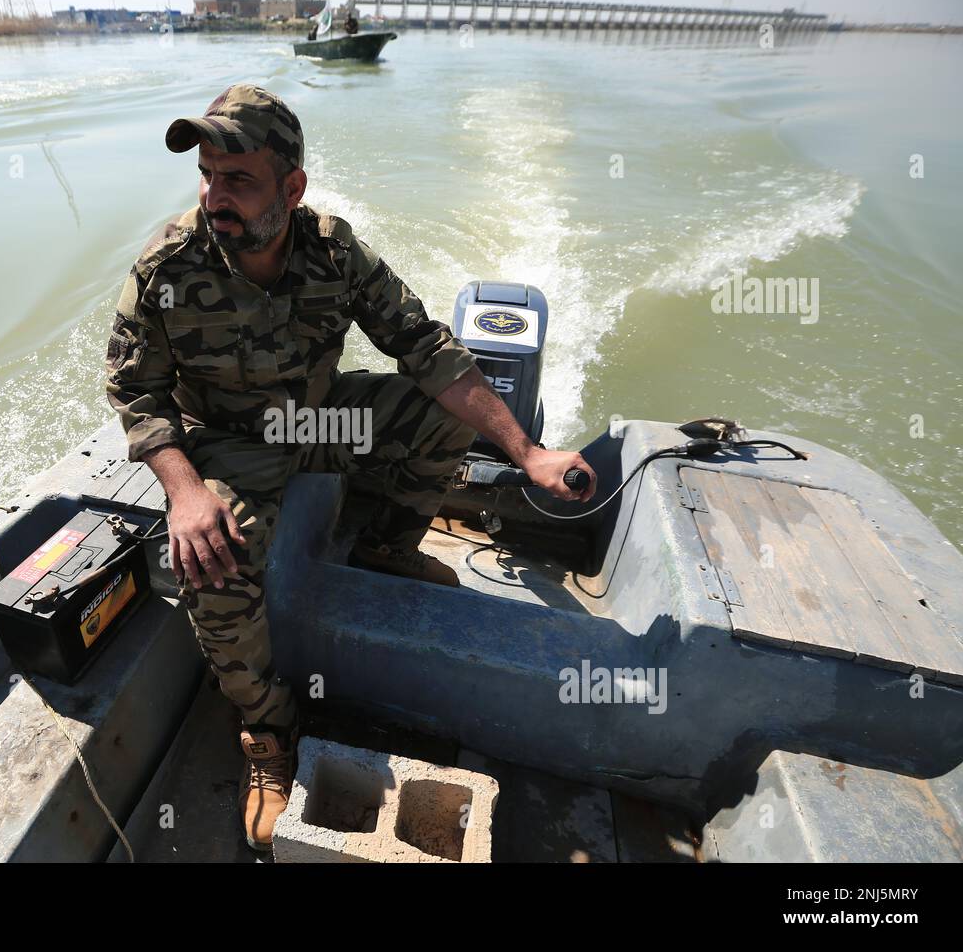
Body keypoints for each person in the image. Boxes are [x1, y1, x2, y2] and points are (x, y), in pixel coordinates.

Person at [105, 84, 596, 852]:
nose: (214, 196)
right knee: (212, 557)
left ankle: (388, 548)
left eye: (238, 179)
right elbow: (136, 390)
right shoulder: (170, 264)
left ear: (291, 189)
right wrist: (186, 491)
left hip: (318, 415)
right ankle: (267, 733)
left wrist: (528, 453)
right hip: (233, 443)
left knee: (437, 415)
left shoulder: (334, 249)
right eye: (206, 174)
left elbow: (429, 350)